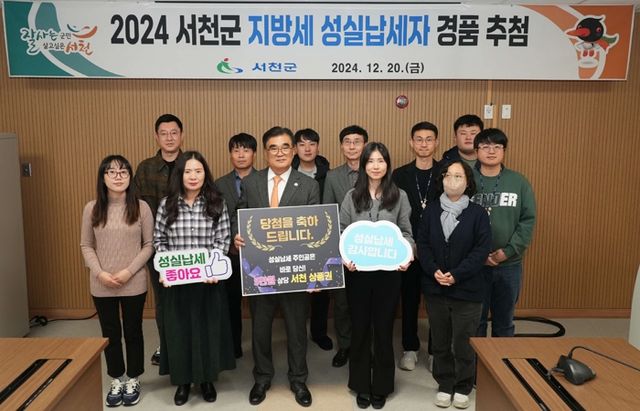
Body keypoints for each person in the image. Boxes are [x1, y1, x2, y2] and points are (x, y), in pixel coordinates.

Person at [234, 126, 320, 407]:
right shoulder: (251, 182)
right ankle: (262, 377)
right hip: (260, 271)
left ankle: (298, 379)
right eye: (273, 147)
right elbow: (240, 216)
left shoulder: (308, 185)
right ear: (265, 152)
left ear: (293, 151)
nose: (280, 152)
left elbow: (316, 231)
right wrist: (237, 235)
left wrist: (313, 274)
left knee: (297, 329)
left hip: (294, 271)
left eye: (285, 147)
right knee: (260, 329)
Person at [153, 151, 235, 406]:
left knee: (207, 330)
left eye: (198, 171)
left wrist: (213, 269)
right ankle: (183, 382)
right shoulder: (167, 204)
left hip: (208, 282)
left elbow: (223, 240)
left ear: (205, 174)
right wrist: (165, 269)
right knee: (180, 332)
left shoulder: (216, 202)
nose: (193, 176)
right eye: (188, 171)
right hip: (177, 283)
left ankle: (207, 379)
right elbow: (159, 240)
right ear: (180, 175)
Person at [340, 142, 414, 409]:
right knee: (360, 327)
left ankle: (381, 385)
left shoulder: (400, 196)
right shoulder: (351, 196)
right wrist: (345, 258)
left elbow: (407, 233)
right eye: (370, 161)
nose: (375, 166)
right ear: (363, 165)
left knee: (383, 329)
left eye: (380, 161)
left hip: (389, 274)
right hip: (358, 273)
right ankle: (360, 384)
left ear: (387, 165)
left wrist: (407, 255)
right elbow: (342, 232)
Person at [416, 160, 491, 409]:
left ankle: (463, 385)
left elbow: (481, 251)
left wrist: (456, 275)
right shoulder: (431, 210)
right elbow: (423, 244)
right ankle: (445, 383)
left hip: (467, 290)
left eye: (459, 176)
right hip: (435, 287)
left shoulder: (478, 213)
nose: (452, 180)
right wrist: (434, 270)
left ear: (468, 182)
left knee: (463, 341)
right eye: (448, 175)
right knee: (440, 340)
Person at [80, 155, 154, 407]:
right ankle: (116, 377)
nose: (118, 176)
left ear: (130, 177)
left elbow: (149, 245)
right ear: (103, 178)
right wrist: (100, 273)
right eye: (111, 172)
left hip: (133, 281)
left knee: (133, 332)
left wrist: (129, 272)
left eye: (123, 172)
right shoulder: (91, 208)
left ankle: (133, 378)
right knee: (110, 333)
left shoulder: (141, 207)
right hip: (101, 283)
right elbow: (86, 245)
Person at [470, 129, 537, 337]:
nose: (491, 151)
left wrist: (507, 252)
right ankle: (476, 360)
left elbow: (527, 220)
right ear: (476, 151)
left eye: (497, 146)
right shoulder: (465, 179)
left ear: (504, 151)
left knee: (504, 322)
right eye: (485, 146)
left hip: (509, 264)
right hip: (474, 265)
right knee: (475, 322)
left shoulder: (518, 182)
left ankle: (502, 359)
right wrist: (477, 254)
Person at [133, 113, 184, 366]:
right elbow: (137, 209)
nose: (169, 138)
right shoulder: (145, 168)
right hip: (157, 247)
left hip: (189, 246)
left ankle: (187, 344)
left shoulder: (192, 163)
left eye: (174, 133)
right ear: (156, 136)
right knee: (163, 300)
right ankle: (166, 345)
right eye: (164, 133)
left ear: (181, 135)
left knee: (188, 299)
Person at [391, 121, 440, 371]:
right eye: (419, 139)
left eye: (429, 139)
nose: (424, 144)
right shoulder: (399, 175)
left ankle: (435, 351)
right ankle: (409, 348)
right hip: (407, 248)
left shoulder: (446, 172)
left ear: (436, 143)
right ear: (411, 143)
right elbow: (393, 212)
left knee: (435, 302)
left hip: (438, 250)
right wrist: (408, 245)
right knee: (409, 300)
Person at [323, 125, 369, 367]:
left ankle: (365, 346)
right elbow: (327, 213)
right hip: (342, 249)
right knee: (342, 303)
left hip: (370, 248)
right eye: (347, 142)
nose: (352, 146)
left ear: (365, 145)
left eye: (357, 141)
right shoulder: (332, 176)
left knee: (367, 302)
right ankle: (345, 346)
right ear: (341, 146)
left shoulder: (375, 171)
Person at [215, 132, 258, 359]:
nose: (241, 155)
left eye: (246, 150)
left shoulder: (264, 180)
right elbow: (215, 218)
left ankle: (260, 347)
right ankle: (233, 346)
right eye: (236, 150)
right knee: (231, 301)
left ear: (254, 153)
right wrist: (232, 236)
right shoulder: (219, 184)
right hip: (231, 253)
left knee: (260, 304)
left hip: (259, 254)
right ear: (230, 154)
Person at [292, 128, 332, 351]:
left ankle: (319, 332)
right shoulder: (286, 173)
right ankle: (295, 334)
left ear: (318, 147)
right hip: (291, 239)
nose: (307, 149)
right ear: (295, 148)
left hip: (320, 240)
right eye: (302, 144)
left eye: (312, 144)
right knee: (294, 290)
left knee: (320, 289)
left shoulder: (328, 175)